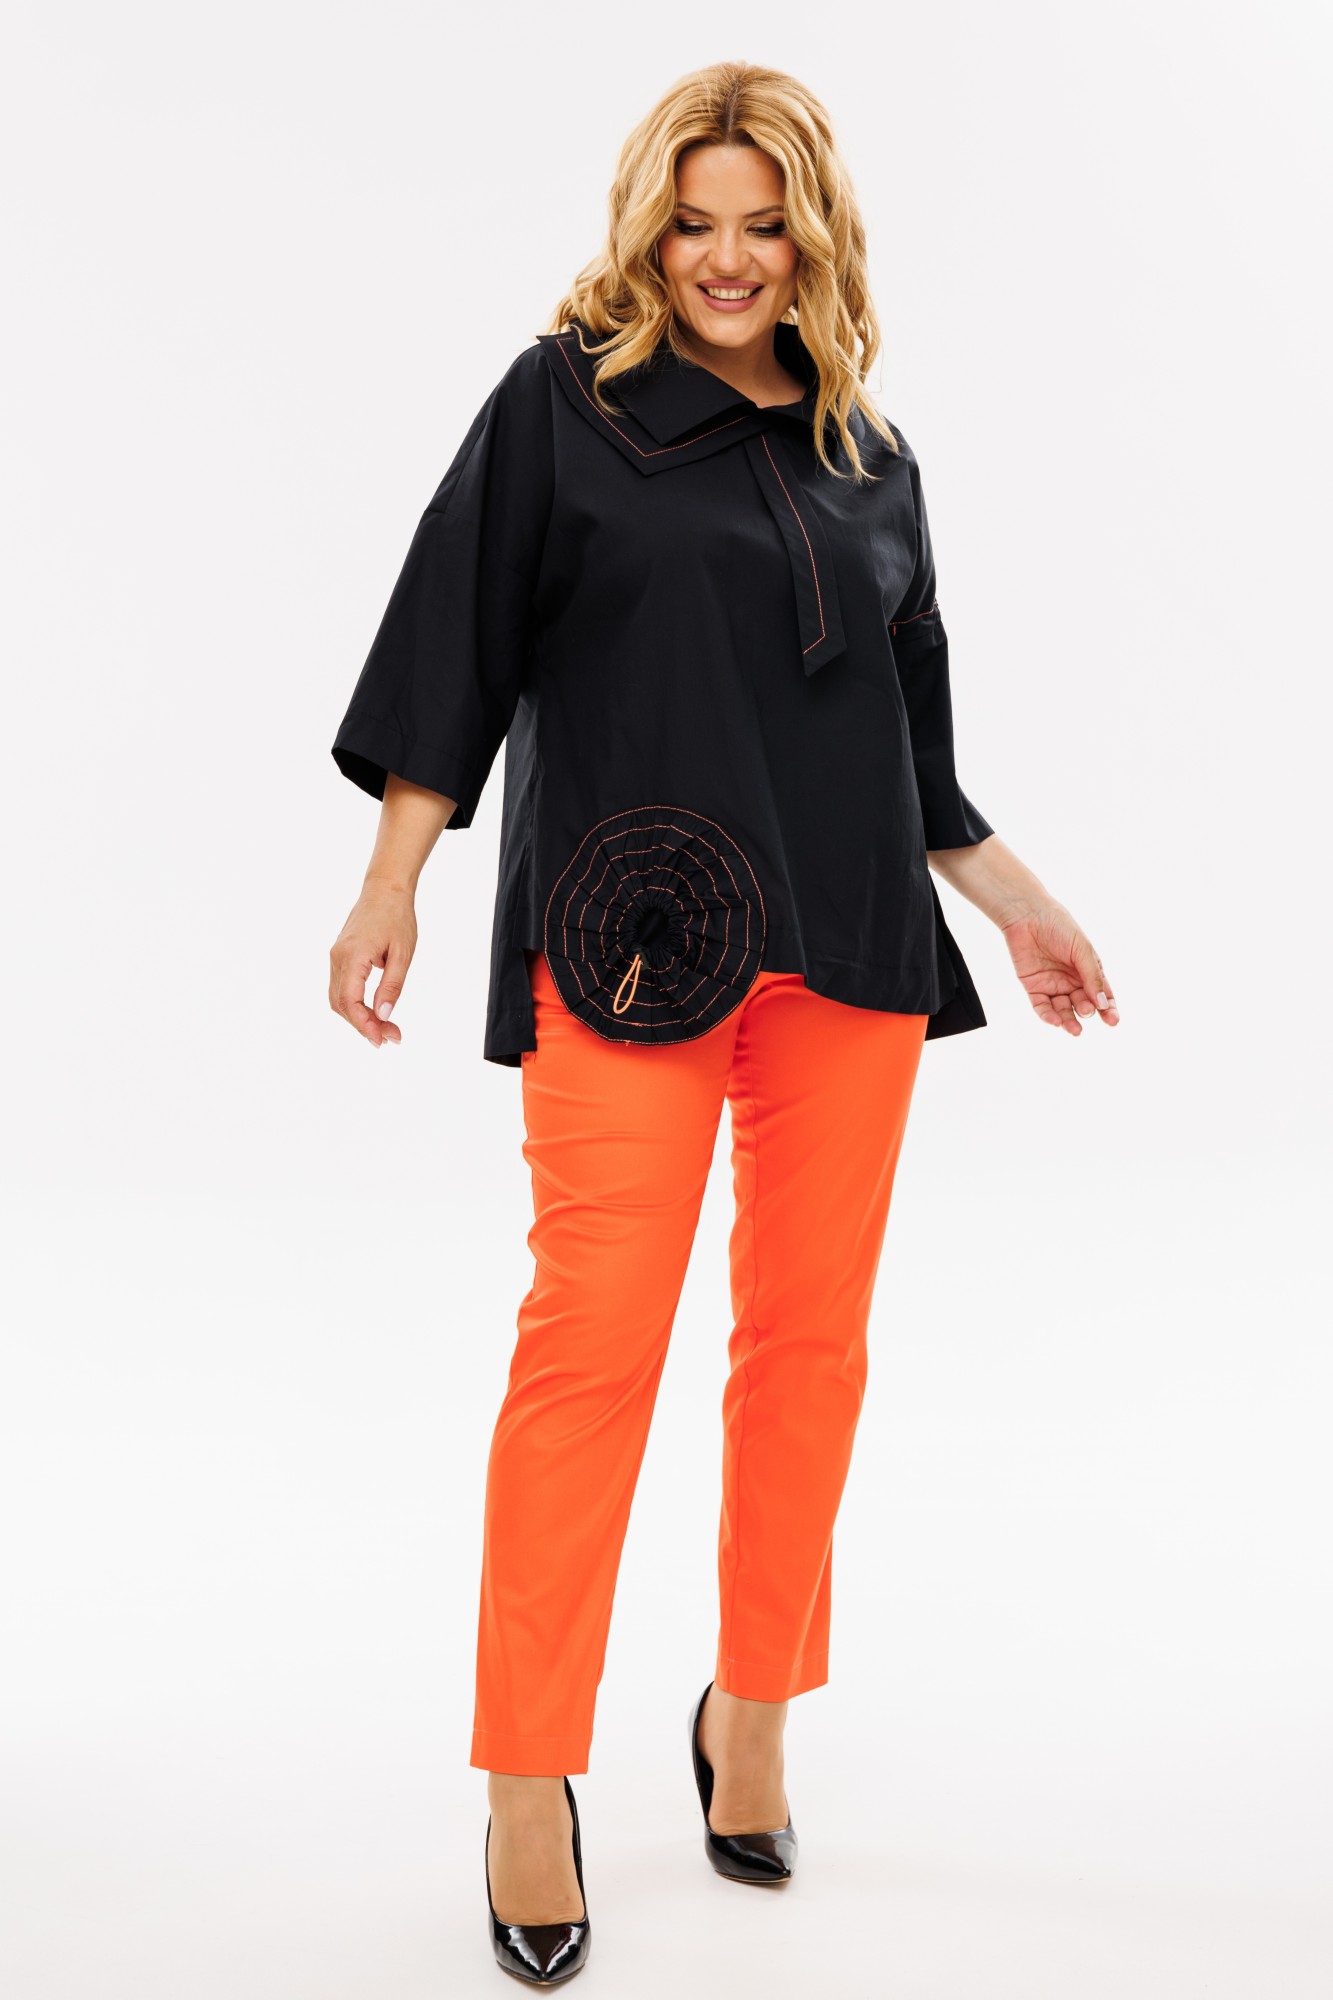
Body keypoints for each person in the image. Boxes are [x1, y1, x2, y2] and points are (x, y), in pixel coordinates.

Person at [328, 60, 1120, 1988]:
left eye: (763, 226)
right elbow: (451, 648)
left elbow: (913, 756)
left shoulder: (870, 457)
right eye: (693, 224)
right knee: (588, 1351)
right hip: (625, 941)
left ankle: (749, 1707)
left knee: (808, 1349)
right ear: (647, 231)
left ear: (812, 239)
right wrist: (391, 881)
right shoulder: (561, 406)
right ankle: (527, 1774)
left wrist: (1023, 909)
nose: (726, 259)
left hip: (844, 950)